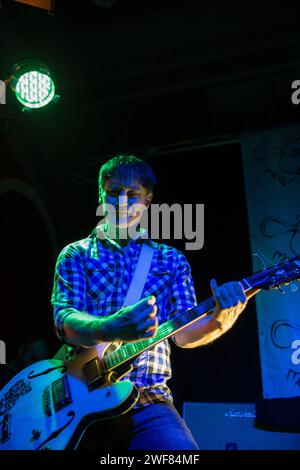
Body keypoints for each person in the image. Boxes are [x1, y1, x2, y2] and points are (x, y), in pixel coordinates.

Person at [51, 155, 257, 450]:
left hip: (148, 398)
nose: (121, 202)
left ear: (147, 201)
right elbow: (66, 324)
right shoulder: (75, 254)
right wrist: (111, 327)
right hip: (80, 396)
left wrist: (222, 318)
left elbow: (185, 335)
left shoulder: (171, 261)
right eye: (112, 192)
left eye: (132, 194)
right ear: (100, 194)